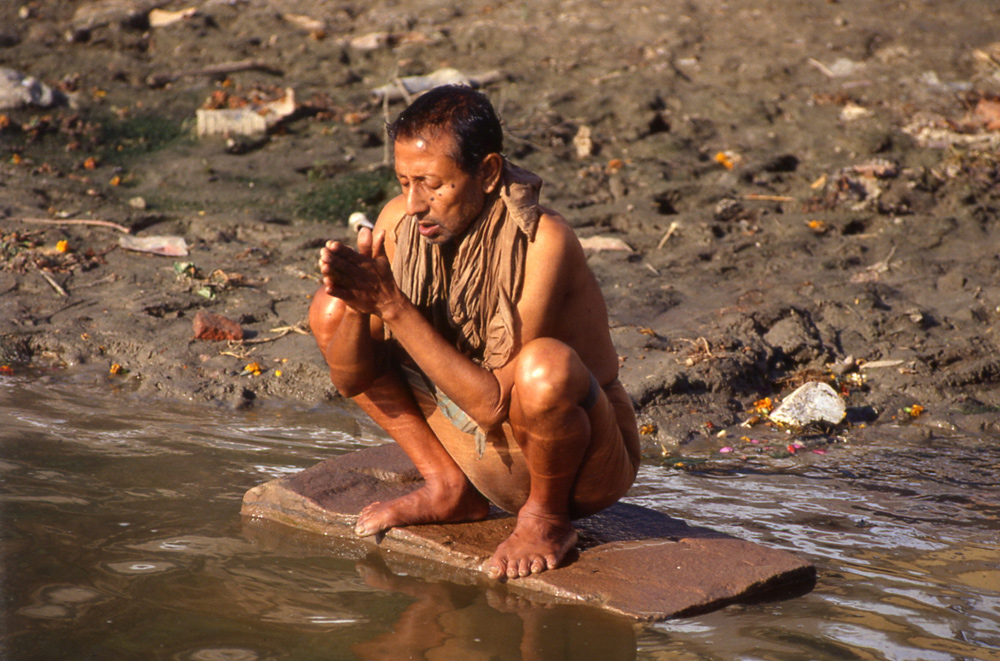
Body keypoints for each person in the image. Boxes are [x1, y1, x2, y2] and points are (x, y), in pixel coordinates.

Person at [309, 85, 640, 580]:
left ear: (486, 173)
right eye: (404, 182)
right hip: (474, 441)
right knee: (330, 311)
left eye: (432, 184)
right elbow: (351, 378)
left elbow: (491, 405)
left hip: (578, 466)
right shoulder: (399, 221)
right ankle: (448, 487)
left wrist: (392, 306)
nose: (414, 203)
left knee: (544, 368)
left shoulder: (544, 241)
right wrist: (361, 303)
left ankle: (545, 519)